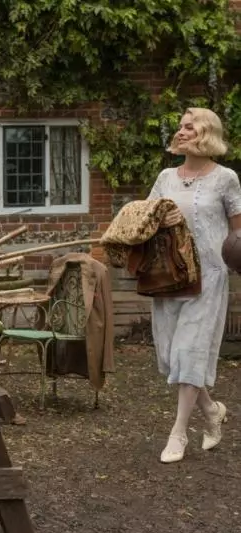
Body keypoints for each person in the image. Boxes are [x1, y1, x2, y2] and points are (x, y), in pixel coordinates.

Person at [147, 107, 241, 463]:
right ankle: (212, 411)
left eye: (190, 126)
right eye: (181, 127)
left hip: (209, 276)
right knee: (171, 357)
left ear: (207, 133)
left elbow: (238, 232)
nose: (181, 131)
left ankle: (178, 433)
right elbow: (144, 220)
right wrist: (162, 218)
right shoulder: (166, 177)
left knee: (189, 353)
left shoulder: (226, 179)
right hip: (168, 276)